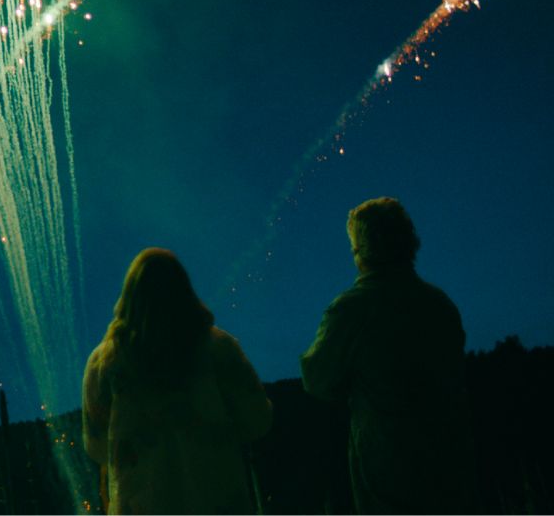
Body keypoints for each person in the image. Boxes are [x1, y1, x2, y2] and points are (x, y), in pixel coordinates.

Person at [301, 197, 475, 513]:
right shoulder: (440, 305)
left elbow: (317, 378)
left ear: (361, 249)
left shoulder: (351, 309)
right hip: (451, 467)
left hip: (388, 475)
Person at [82, 248, 272, 514]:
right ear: (184, 291)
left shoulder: (104, 364)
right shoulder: (219, 349)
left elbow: (96, 446)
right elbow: (258, 420)